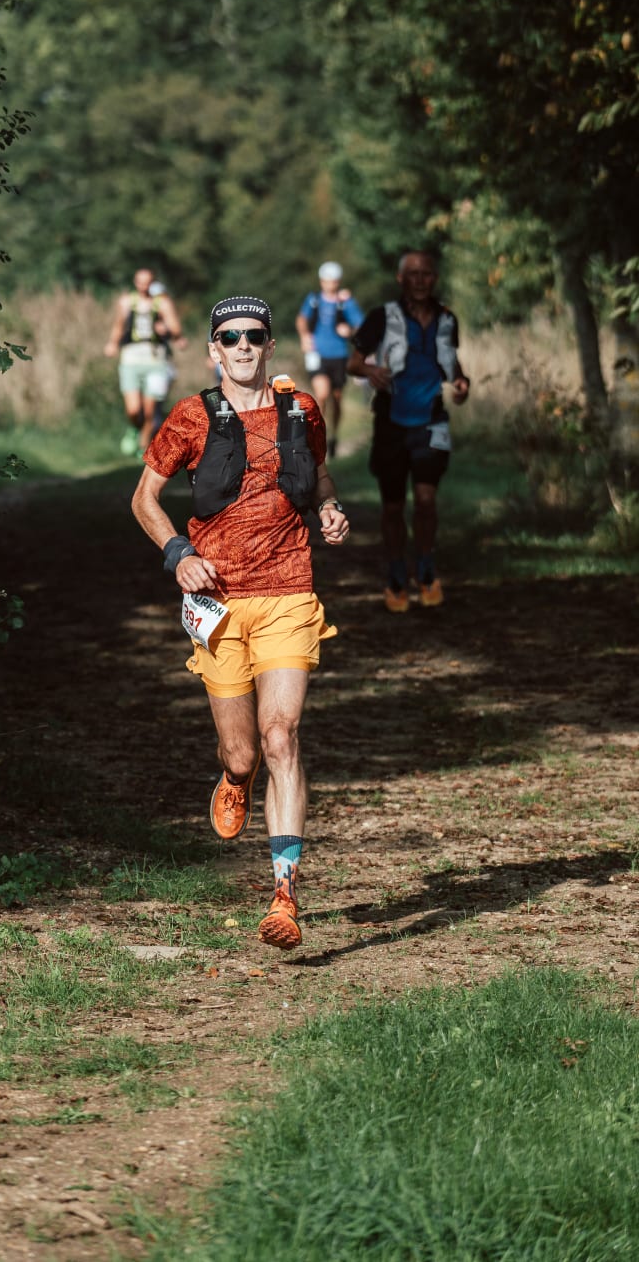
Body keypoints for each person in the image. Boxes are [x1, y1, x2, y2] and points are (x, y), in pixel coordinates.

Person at [131, 295, 350, 950]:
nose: (243, 346)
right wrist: (179, 554)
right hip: (218, 603)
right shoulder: (191, 416)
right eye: (230, 337)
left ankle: (285, 895)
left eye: (254, 335)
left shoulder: (301, 409)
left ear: (271, 345)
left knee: (281, 736)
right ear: (213, 351)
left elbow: (320, 476)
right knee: (244, 751)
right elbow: (144, 498)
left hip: (288, 591)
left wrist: (330, 508)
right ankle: (234, 778)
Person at [347, 248, 470, 612]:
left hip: (432, 421)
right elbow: (353, 363)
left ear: (434, 278)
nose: (420, 280)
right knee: (393, 506)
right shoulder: (382, 317)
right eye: (412, 274)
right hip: (391, 421)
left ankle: (427, 570)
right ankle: (397, 574)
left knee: (427, 500)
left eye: (426, 273)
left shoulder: (447, 318)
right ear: (401, 279)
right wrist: (371, 371)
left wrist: (461, 383)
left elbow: (451, 361)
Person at [104, 268, 186, 456]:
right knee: (133, 410)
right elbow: (119, 325)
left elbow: (175, 328)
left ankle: (143, 447)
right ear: (135, 282)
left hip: (155, 359)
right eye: (140, 281)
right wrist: (112, 344)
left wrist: (167, 329)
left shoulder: (162, 303)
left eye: (147, 282)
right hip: (130, 358)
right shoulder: (126, 302)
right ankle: (134, 428)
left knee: (150, 411)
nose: (144, 285)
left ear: (152, 283)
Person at [295, 260, 365, 457]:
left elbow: (362, 325)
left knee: (337, 398)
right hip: (317, 354)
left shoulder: (346, 302)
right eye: (326, 281)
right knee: (322, 394)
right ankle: (317, 436)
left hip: (339, 355)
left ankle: (334, 435)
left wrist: (349, 330)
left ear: (338, 281)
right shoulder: (314, 300)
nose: (330, 285)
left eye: (333, 281)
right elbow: (301, 319)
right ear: (321, 281)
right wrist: (304, 337)